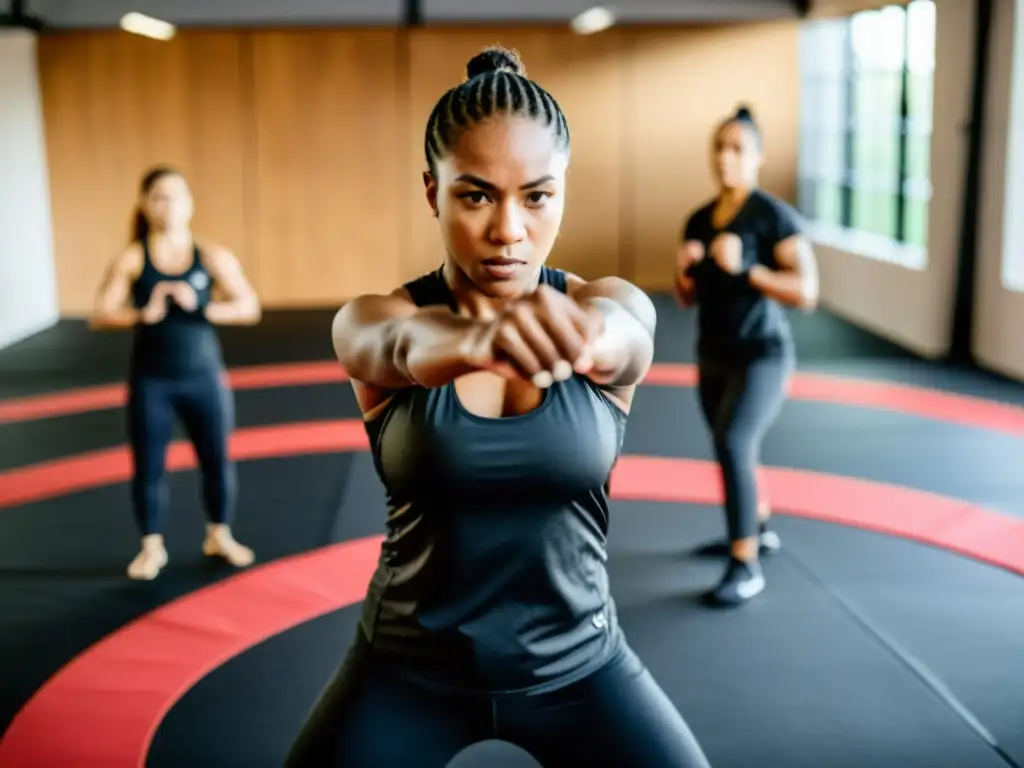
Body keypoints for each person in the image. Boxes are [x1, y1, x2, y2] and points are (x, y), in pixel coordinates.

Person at [287, 47, 711, 768]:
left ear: (562, 192)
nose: (509, 229)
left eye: (536, 196)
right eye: (477, 194)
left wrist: (589, 337)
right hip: (405, 670)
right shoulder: (377, 316)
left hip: (581, 668)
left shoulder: (602, 306)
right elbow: (393, 347)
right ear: (433, 191)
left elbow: (626, 341)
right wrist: (483, 338)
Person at [674, 105, 819, 607]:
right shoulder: (697, 219)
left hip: (763, 354)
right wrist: (684, 272)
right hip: (712, 352)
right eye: (719, 147)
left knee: (734, 440)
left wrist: (748, 267)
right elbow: (687, 299)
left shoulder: (771, 215)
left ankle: (745, 562)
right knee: (727, 445)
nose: (725, 157)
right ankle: (756, 527)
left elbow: (806, 291)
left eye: (737, 148)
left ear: (757, 157)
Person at [89, 166, 262, 581]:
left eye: (176, 197)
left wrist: (201, 306)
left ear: (190, 204)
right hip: (153, 380)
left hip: (203, 376)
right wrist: (140, 313)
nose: (168, 206)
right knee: (148, 465)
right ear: (146, 205)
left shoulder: (211, 255)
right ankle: (152, 547)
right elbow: (99, 313)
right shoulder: (133, 257)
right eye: (159, 197)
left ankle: (218, 535)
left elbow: (249, 307)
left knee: (216, 461)